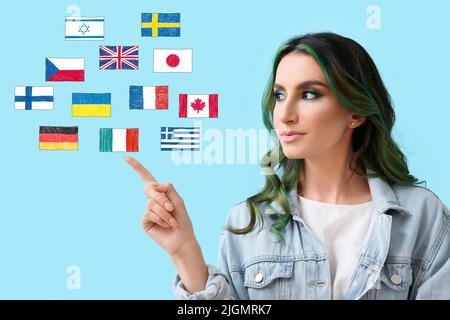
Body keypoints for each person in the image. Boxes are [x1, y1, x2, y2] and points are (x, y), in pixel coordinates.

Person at [125, 32, 450, 300]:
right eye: (280, 95)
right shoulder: (247, 222)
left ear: (356, 112)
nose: (285, 114)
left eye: (309, 94)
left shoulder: (423, 215)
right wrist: (184, 251)